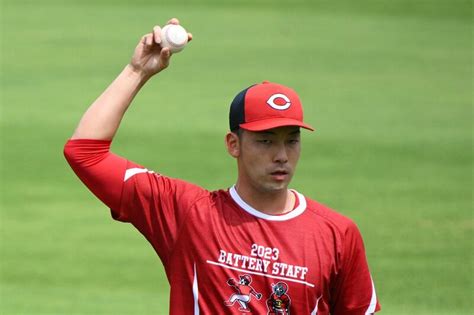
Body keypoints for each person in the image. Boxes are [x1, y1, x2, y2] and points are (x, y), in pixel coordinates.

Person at [64, 18, 381, 314]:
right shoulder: (188, 215)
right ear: (234, 144)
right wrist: (137, 71)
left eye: (291, 140)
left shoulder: (336, 234)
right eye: (266, 140)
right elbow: (85, 153)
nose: (282, 154)